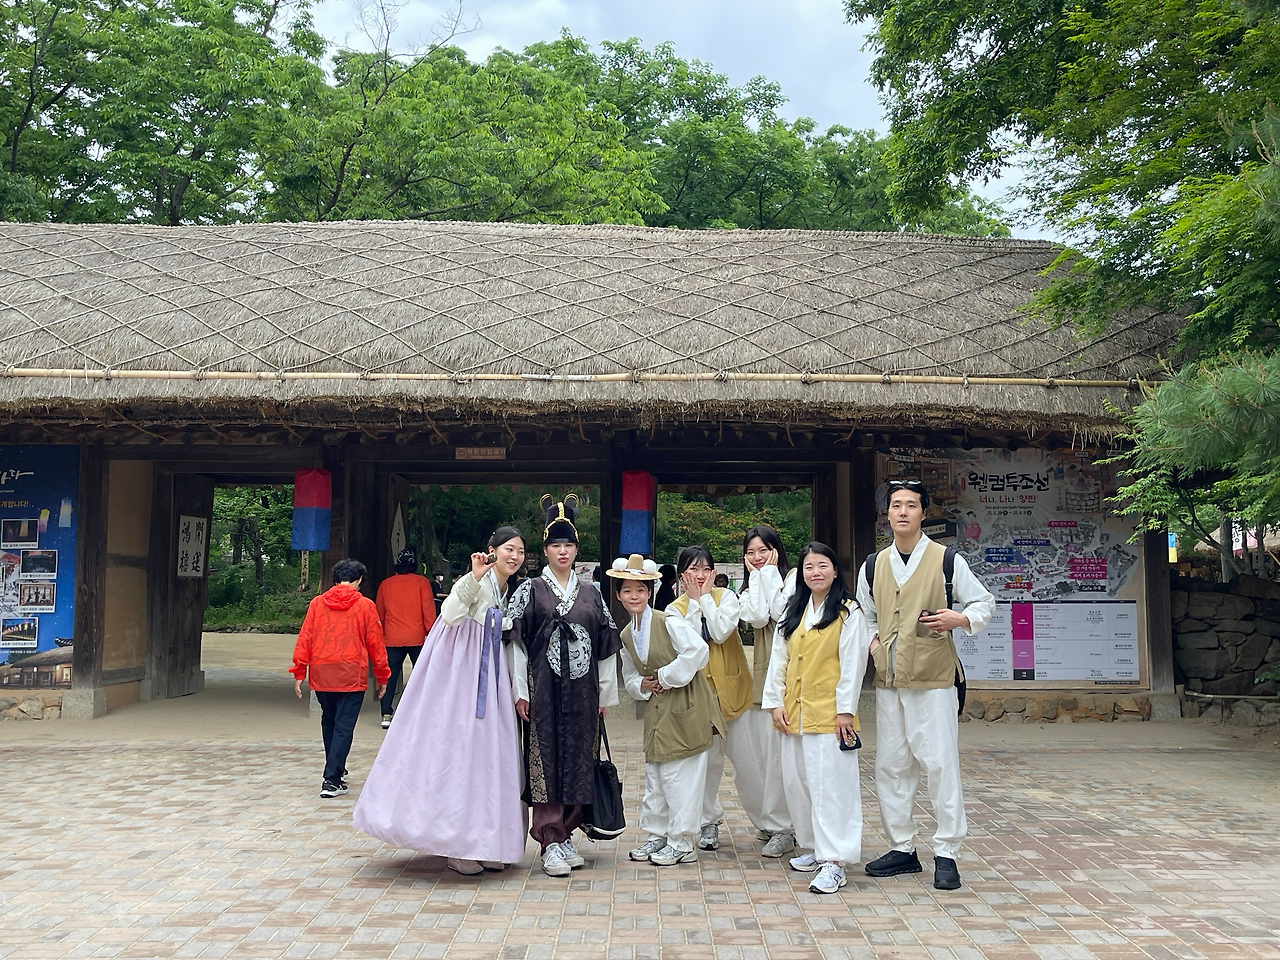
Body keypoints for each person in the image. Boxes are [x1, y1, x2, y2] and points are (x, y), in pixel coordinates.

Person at [353, 527, 529, 876]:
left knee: (489, 756)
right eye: (509, 549)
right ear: (491, 550)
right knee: (459, 752)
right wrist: (473, 577)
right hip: (460, 674)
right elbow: (449, 614)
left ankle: (485, 842)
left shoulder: (507, 589)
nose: (515, 556)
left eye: (520, 551)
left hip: (488, 673)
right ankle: (456, 844)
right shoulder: (477, 579)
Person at [856, 478, 995, 891]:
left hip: (934, 678)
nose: (902, 511)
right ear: (887, 514)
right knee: (892, 765)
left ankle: (947, 851)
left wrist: (960, 618)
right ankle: (902, 847)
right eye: (896, 505)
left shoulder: (946, 560)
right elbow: (865, 614)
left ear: (922, 513)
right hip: (890, 680)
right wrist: (874, 644)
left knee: (939, 764)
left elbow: (983, 602)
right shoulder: (873, 564)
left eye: (911, 505)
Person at [506, 494, 621, 878]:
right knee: (546, 761)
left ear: (576, 549)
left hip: (583, 694)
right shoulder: (529, 590)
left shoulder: (592, 593)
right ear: (545, 550)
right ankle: (549, 839)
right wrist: (520, 691)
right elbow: (517, 645)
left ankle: (567, 833)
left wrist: (606, 694)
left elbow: (605, 646)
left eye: (568, 544)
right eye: (555, 545)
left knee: (579, 760)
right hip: (543, 691)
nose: (562, 551)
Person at [762, 542, 871, 895]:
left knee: (831, 789)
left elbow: (853, 665)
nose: (816, 572)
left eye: (822, 565)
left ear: (835, 571)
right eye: (809, 567)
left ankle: (834, 860)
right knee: (799, 784)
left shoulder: (848, 612)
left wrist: (845, 711)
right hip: (794, 713)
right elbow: (778, 660)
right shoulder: (794, 610)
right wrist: (774, 703)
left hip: (830, 715)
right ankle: (813, 846)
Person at [609, 554, 723, 866]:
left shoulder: (667, 620)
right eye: (627, 591)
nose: (634, 596)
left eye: (640, 590)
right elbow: (630, 674)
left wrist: (664, 676)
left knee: (680, 776)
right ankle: (657, 834)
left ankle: (682, 841)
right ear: (618, 595)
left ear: (650, 593)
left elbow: (698, 651)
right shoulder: (626, 634)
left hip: (685, 703)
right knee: (656, 775)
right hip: (658, 710)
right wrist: (642, 685)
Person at [665, 545, 753, 852]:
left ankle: (774, 824)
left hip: (734, 694)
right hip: (701, 698)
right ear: (682, 575)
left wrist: (703, 599)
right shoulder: (674, 609)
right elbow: (692, 643)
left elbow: (719, 632)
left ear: (714, 573)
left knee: (750, 763)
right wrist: (694, 602)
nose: (700, 575)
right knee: (707, 765)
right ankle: (708, 821)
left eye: (705, 569)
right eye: (693, 569)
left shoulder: (726, 597)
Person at [291, 559, 390, 799]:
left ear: (336, 580)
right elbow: (376, 644)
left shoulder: (317, 603)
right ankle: (332, 779)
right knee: (344, 726)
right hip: (351, 672)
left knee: (329, 721)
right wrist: (382, 675)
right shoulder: (365, 605)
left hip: (322, 671)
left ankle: (336, 768)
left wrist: (299, 670)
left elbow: (305, 637)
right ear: (359, 580)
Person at [736, 525, 797, 858]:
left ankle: (786, 826)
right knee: (767, 755)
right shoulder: (748, 589)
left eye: (763, 550)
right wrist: (760, 577)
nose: (757, 557)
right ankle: (777, 822)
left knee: (784, 757)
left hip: (791, 678)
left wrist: (769, 574)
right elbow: (759, 617)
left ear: (776, 550)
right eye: (751, 552)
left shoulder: (794, 579)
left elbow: (779, 612)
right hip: (763, 679)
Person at [374, 547, 437, 728]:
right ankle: (422, 712)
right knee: (423, 675)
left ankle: (386, 714)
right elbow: (428, 611)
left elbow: (380, 613)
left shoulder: (386, 584)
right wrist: (431, 632)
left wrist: (381, 634)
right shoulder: (422, 582)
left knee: (389, 677)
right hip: (417, 637)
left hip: (392, 637)